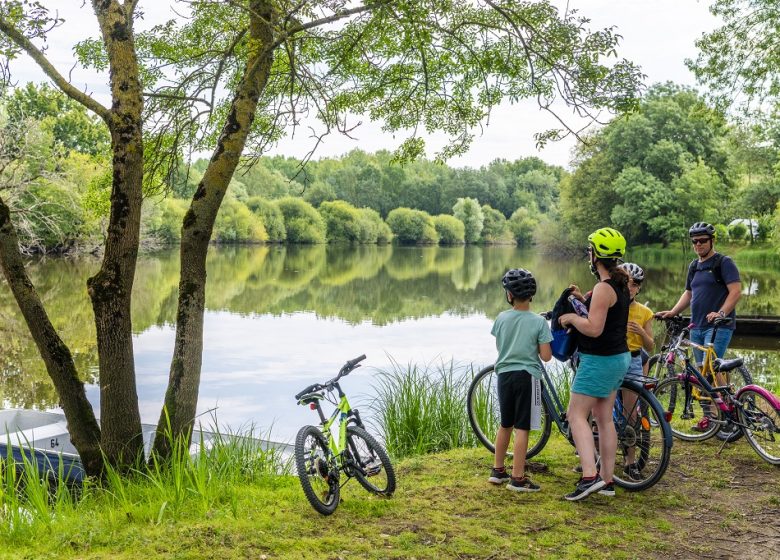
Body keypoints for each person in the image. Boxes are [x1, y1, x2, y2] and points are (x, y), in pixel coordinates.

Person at [559, 227, 630, 500]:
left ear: (597, 255)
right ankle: (606, 481)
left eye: (590, 250)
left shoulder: (603, 287)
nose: (589, 254)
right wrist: (581, 301)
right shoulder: (620, 285)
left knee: (576, 415)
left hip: (599, 359)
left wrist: (571, 319)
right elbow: (606, 317)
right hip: (618, 358)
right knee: (604, 419)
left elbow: (594, 328)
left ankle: (589, 477)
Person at [488, 268, 553, 493]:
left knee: (505, 423)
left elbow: (501, 346)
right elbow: (546, 356)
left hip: (504, 375)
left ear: (509, 295)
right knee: (522, 427)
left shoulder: (501, 318)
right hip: (527, 377)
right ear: (532, 295)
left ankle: (497, 471)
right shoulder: (538, 322)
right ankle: (517, 478)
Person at [657, 222, 741, 367]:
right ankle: (718, 389)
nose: (698, 244)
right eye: (695, 241)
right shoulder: (694, 266)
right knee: (701, 369)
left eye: (703, 240)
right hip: (696, 326)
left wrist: (721, 313)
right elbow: (689, 293)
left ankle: (725, 391)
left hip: (717, 326)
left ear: (712, 241)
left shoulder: (723, 262)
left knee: (711, 368)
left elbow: (736, 292)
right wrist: (673, 312)